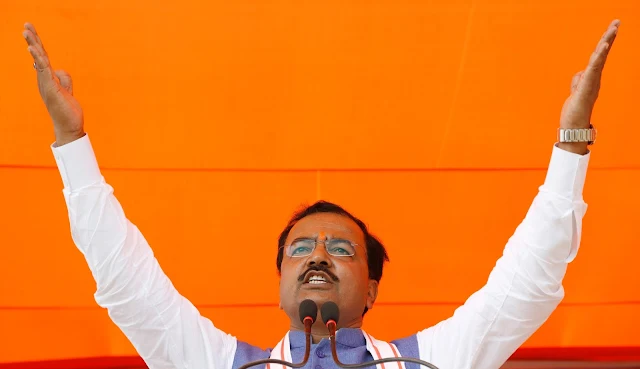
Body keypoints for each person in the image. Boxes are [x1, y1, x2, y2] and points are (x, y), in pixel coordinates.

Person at [22, 19, 620, 369]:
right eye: (303, 247)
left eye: (341, 249)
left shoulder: (425, 362)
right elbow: (128, 286)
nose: (317, 255)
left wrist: (572, 139)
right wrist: (71, 139)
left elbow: (529, 283)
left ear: (374, 288)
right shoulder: (216, 362)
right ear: (279, 276)